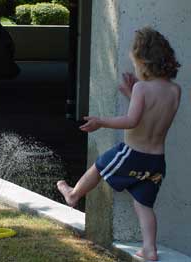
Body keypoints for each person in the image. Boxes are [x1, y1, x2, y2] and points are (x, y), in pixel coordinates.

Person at [57, 27, 181, 261]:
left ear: (144, 62)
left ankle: (73, 194)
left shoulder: (142, 88)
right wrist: (132, 94)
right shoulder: (175, 90)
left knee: (101, 165)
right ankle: (149, 249)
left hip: (132, 154)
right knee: (143, 205)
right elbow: (152, 116)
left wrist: (100, 121)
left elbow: (133, 120)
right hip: (156, 162)